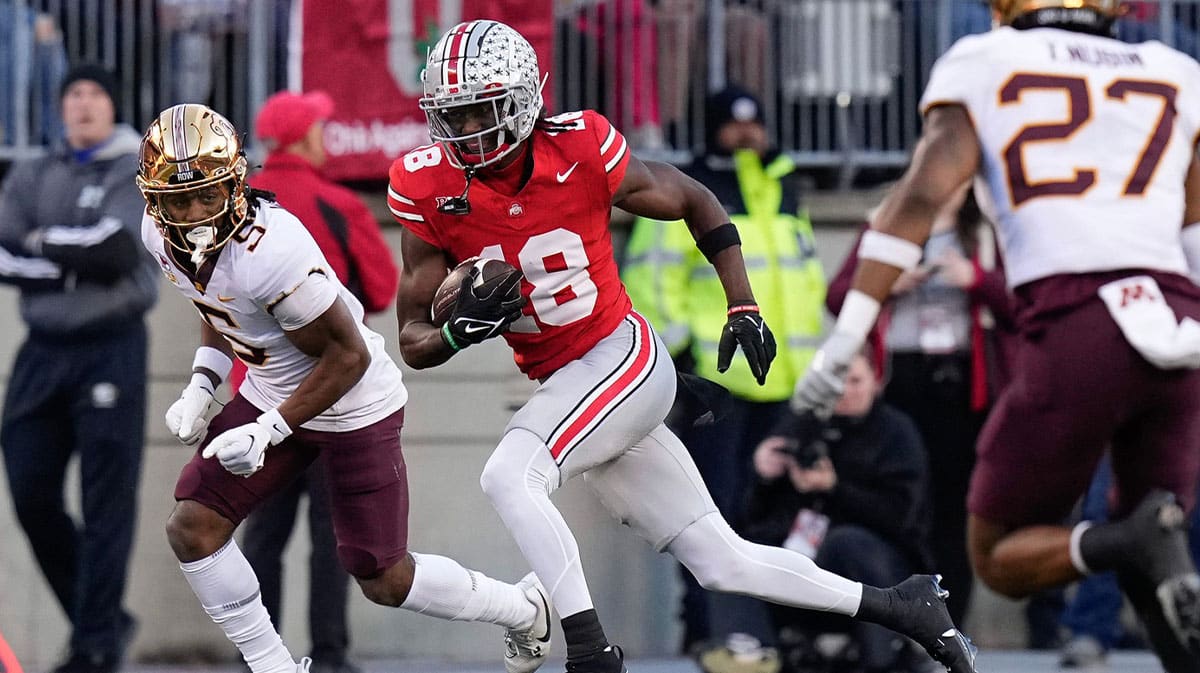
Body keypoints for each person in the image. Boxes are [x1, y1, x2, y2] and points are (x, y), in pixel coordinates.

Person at [388, 19, 977, 673]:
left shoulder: (581, 148)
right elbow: (412, 342)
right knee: (722, 558)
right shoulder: (426, 186)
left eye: (482, 110)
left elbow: (698, 199)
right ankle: (905, 604)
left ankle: (588, 647)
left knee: (509, 474)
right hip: (568, 385)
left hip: (621, 356)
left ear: (525, 100)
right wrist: (453, 332)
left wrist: (743, 303)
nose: (468, 130)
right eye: (455, 114)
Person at [791, 2, 1200, 672]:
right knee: (1160, 543)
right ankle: (1141, 547)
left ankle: (1126, 540)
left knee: (999, 554)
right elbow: (1193, 235)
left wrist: (844, 344)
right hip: (1178, 324)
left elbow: (919, 199)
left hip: (1077, 323)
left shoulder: (985, 58)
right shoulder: (1177, 70)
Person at [136, 102, 552, 673]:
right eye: (177, 200)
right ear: (154, 201)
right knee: (193, 528)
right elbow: (215, 297)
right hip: (270, 389)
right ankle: (273, 665)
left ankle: (521, 607)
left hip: (352, 402)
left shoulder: (272, 248)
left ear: (235, 183)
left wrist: (270, 428)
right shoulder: (161, 236)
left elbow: (348, 355)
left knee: (381, 575)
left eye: (206, 195)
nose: (192, 214)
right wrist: (204, 381)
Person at [622, 84, 827, 655]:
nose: (746, 135)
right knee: (708, 514)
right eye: (733, 125)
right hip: (717, 383)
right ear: (711, 128)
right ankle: (708, 632)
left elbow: (805, 285)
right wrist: (677, 360)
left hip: (784, 382)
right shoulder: (685, 187)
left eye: (753, 124)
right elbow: (652, 279)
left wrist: (813, 368)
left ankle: (755, 636)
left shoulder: (784, 186)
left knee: (769, 517)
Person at [233, 89, 401, 673]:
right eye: (320, 129)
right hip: (335, 398)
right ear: (304, 137)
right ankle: (329, 655)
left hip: (259, 399)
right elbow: (380, 290)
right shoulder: (337, 205)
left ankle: (258, 655)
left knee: (262, 535)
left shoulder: (238, 212)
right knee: (334, 533)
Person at [0, 63, 156, 673]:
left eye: (95, 95)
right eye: (73, 95)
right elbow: (2, 250)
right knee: (31, 495)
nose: (83, 105)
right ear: (60, 107)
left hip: (110, 345)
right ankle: (103, 620)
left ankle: (93, 646)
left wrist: (40, 244)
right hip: (42, 350)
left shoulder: (132, 170)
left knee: (105, 502)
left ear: (111, 107)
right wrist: (69, 256)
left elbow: (116, 250)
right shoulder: (35, 171)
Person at [826, 184, 1015, 626]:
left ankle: (952, 625)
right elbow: (837, 297)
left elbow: (1021, 305)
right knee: (906, 506)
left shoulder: (987, 231)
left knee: (957, 510)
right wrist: (888, 283)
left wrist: (977, 279)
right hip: (899, 385)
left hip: (965, 390)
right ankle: (901, 619)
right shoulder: (884, 224)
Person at [746, 351, 933, 673]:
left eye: (855, 381)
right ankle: (751, 655)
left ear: (876, 381)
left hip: (880, 561)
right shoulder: (802, 428)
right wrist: (763, 477)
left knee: (846, 543)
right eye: (837, 383)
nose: (845, 391)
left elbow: (903, 519)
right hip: (805, 553)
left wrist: (834, 488)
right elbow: (753, 519)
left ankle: (883, 661)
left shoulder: (895, 432)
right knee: (741, 554)